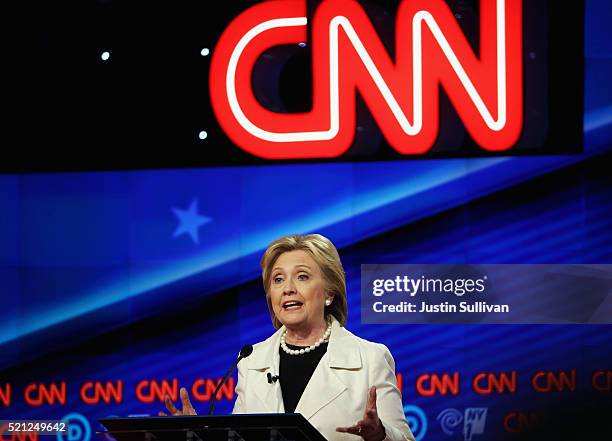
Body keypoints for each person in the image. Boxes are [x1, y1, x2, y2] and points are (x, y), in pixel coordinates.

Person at [162, 234, 415, 441]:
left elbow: (403, 438)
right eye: (278, 279)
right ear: (270, 296)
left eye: (302, 276)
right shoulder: (251, 361)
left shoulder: (370, 358)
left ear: (329, 293)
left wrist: (379, 434)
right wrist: (195, 436)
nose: (288, 288)